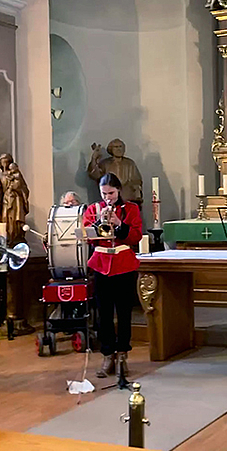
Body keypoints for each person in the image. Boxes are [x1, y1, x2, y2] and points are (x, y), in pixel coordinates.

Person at [83, 173, 143, 379]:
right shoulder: (93, 209)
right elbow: (89, 238)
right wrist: (98, 223)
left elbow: (135, 236)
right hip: (101, 266)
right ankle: (108, 354)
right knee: (104, 314)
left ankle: (123, 354)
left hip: (124, 265)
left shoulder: (131, 209)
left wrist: (118, 223)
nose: (107, 197)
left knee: (124, 312)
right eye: (104, 194)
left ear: (118, 190)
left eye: (111, 193)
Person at [0, 153, 30, 246]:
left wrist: (15, 185)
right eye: (2, 162)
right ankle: (7, 239)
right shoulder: (0, 175)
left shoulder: (16, 174)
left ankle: (16, 238)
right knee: (4, 219)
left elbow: (22, 187)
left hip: (15, 200)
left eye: (6, 162)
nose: (4, 164)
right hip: (5, 200)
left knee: (15, 220)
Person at [88, 139, 144, 205]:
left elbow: (136, 181)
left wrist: (137, 195)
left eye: (120, 147)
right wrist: (94, 158)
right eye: (116, 147)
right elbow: (95, 175)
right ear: (111, 149)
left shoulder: (129, 163)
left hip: (128, 198)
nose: (119, 149)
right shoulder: (105, 163)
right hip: (110, 200)